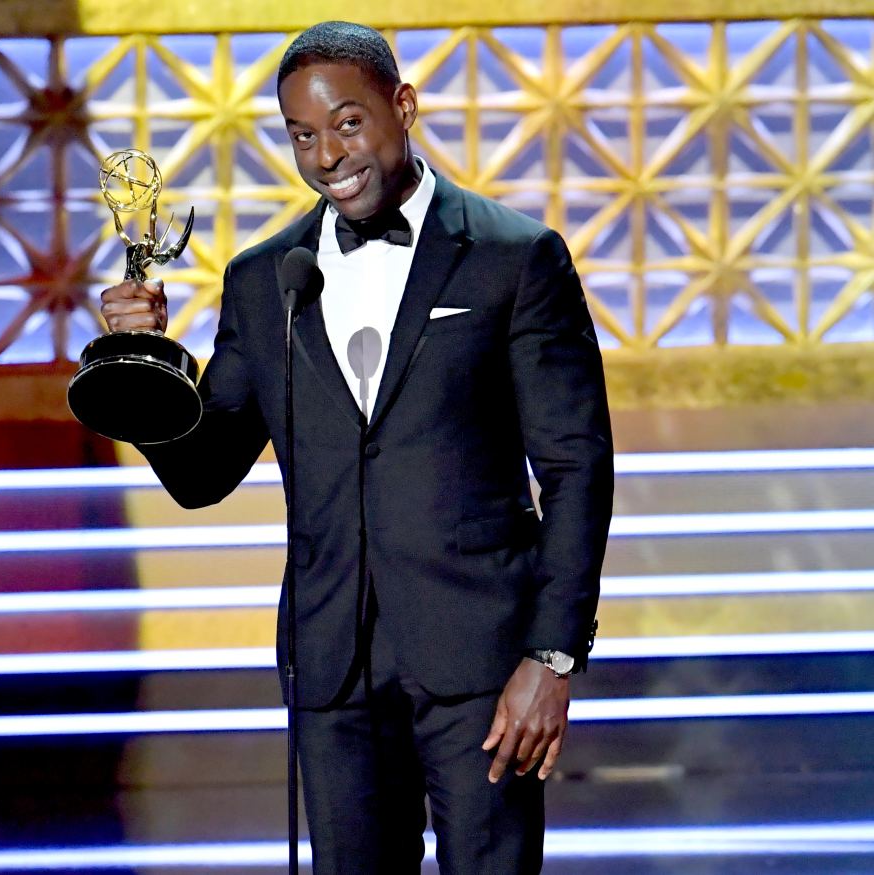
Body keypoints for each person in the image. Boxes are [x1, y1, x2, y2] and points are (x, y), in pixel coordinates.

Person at [101, 21, 613, 874]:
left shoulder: (513, 258)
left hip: (481, 663)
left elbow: (575, 467)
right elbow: (204, 470)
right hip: (331, 665)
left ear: (402, 106)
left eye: (346, 123)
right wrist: (152, 366)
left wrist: (551, 657)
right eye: (302, 134)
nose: (326, 155)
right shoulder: (268, 279)